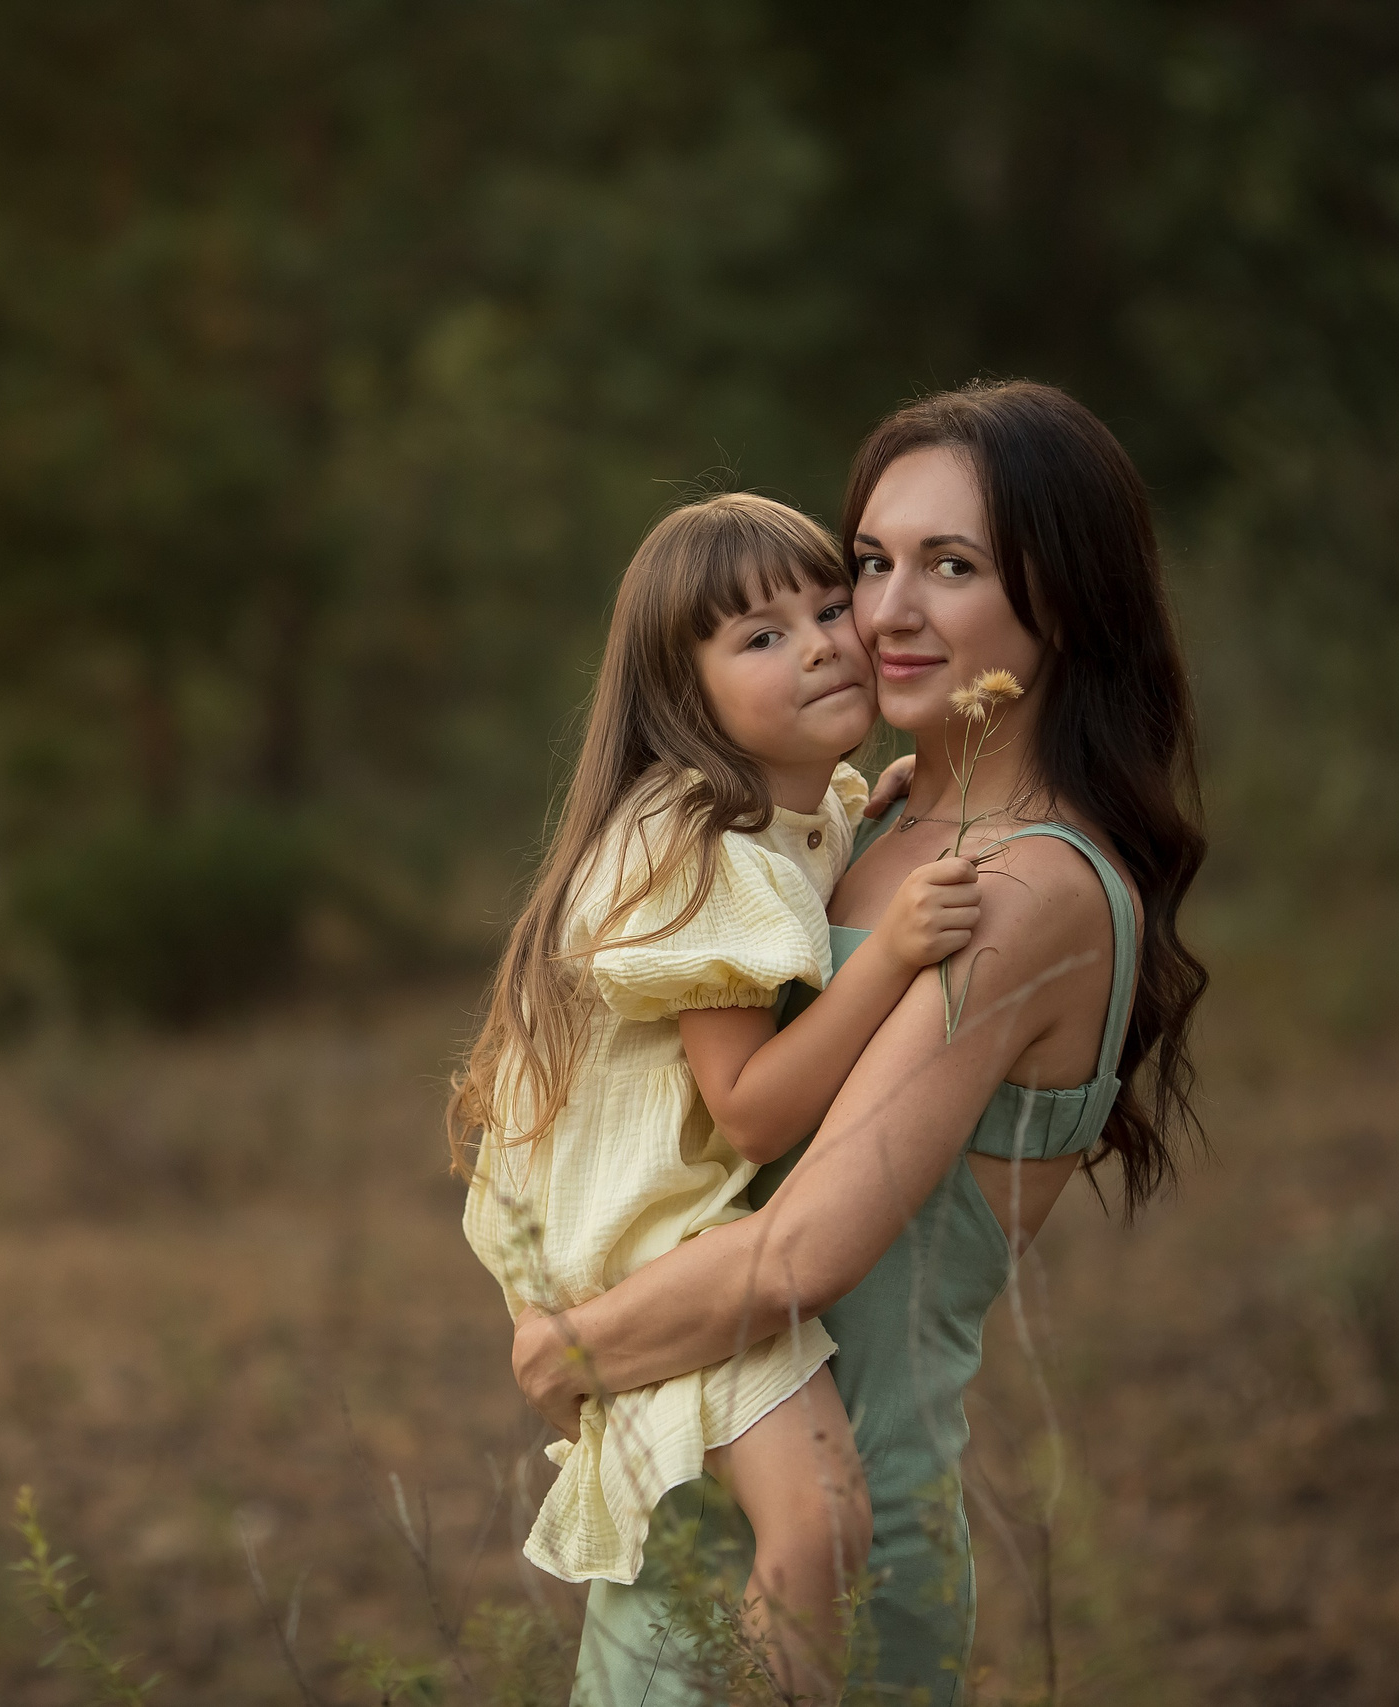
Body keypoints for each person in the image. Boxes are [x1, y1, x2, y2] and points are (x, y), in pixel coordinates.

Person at [512, 382, 1210, 1705]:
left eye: (951, 567)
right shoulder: (856, 825)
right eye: (870, 563)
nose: (882, 614)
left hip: (833, 1541)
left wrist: (567, 1346)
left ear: (1068, 599)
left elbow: (807, 1247)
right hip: (688, 1477)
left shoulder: (1029, 890)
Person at [450, 491, 974, 1692]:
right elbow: (742, 1109)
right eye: (759, 638)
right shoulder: (698, 848)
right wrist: (890, 954)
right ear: (685, 701)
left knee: (808, 1532)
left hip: (684, 1228)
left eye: (828, 607)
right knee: (822, 1527)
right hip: (660, 1249)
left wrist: (878, 805)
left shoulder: (796, 810)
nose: (822, 644)